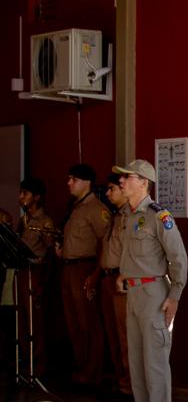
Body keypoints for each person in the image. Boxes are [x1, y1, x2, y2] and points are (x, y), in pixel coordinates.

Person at [112, 159, 188, 402]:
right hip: (133, 292)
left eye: (127, 177)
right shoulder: (128, 215)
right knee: (137, 357)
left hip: (155, 293)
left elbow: (178, 258)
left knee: (155, 359)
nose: (121, 182)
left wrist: (175, 297)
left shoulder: (159, 216)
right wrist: (123, 275)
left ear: (143, 182)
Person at [59, 164, 109, 387]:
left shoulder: (96, 209)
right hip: (68, 268)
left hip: (85, 269)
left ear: (86, 182)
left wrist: (95, 275)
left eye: (74, 179)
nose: (69, 183)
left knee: (88, 323)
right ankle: (81, 369)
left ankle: (92, 373)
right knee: (73, 323)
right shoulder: (75, 208)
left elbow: (104, 244)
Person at [16, 178, 56, 377]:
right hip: (21, 273)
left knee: (36, 322)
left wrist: (44, 281)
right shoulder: (22, 221)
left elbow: (50, 253)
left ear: (37, 197)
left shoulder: (44, 222)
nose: (21, 197)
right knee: (21, 320)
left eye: (25, 193)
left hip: (35, 274)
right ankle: (25, 362)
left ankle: (39, 365)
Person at [99, 175, 131, 397]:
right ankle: (121, 381)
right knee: (112, 334)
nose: (109, 194)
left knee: (125, 336)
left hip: (123, 280)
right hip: (107, 278)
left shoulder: (132, 217)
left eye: (113, 189)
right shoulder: (114, 216)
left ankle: (130, 386)